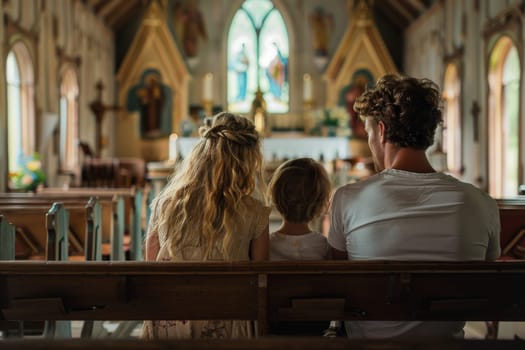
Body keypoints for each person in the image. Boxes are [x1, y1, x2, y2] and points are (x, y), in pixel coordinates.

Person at [328, 74, 501, 338]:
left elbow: (340, 282)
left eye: (369, 132)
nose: (370, 142)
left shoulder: (348, 199)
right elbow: (485, 282)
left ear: (382, 130)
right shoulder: (481, 203)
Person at [142, 112, 270, 339]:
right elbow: (259, 276)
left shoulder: (166, 204)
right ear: (247, 161)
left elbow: (152, 266)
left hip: (171, 321)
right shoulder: (255, 211)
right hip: (228, 322)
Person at [266, 157, 332, 335]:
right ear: (320, 204)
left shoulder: (265, 246)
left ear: (276, 199)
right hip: (316, 326)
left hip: (275, 327)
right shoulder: (324, 246)